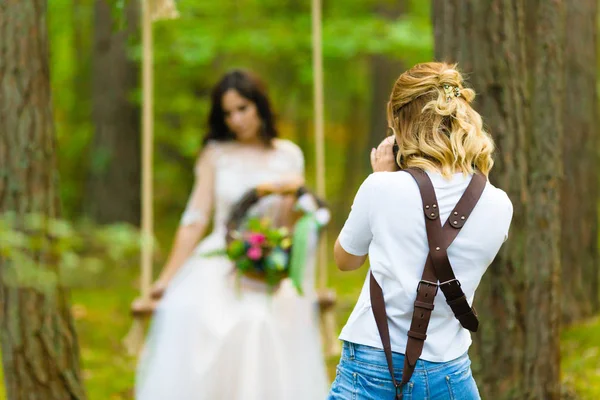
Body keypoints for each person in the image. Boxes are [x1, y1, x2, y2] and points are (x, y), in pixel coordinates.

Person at [134, 69, 328, 400]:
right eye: (228, 113)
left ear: (259, 106)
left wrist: (290, 215)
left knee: (260, 321)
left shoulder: (288, 155)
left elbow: (287, 221)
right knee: (200, 316)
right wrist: (166, 278)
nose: (236, 119)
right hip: (219, 259)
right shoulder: (215, 154)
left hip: (267, 258)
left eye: (243, 108)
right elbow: (195, 218)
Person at [327, 62, 513, 399]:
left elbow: (345, 260)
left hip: (371, 364)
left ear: (400, 124)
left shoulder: (381, 188)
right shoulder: (499, 203)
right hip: (451, 371)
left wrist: (382, 176)